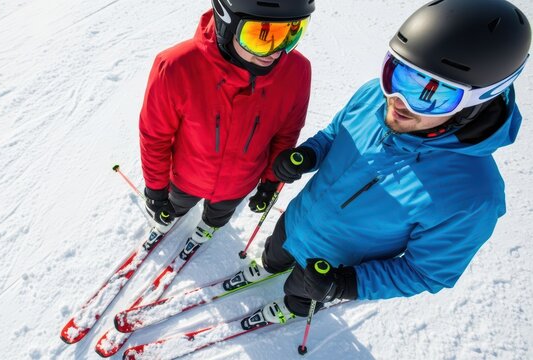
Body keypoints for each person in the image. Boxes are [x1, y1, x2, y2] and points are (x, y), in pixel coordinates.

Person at [231, 0, 531, 326]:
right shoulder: (375, 94)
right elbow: (335, 134)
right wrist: (310, 155)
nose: (397, 102)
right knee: (276, 251)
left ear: (478, 101)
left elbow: (425, 272)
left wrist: (346, 283)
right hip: (297, 220)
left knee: (302, 293)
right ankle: (268, 267)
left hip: (331, 264)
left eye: (433, 93)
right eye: (398, 73)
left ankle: (291, 309)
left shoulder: (473, 197)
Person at [139, 0, 315, 250]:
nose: (276, 52)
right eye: (263, 36)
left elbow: (286, 134)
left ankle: (209, 226)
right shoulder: (176, 66)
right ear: (227, 23)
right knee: (176, 203)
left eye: (291, 33)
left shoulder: (297, 71)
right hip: (186, 177)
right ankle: (169, 218)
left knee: (219, 214)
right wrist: (156, 191)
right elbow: (154, 136)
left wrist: (270, 182)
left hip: (240, 183)